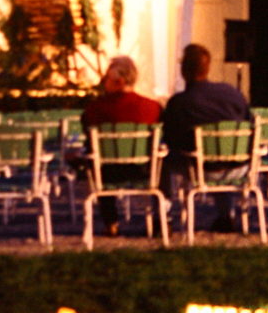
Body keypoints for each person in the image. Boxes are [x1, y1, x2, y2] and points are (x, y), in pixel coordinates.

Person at [161, 43, 253, 232]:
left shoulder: (179, 103)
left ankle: (164, 218)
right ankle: (225, 216)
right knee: (221, 150)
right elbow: (249, 123)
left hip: (199, 168)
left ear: (183, 70)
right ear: (208, 66)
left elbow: (170, 140)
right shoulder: (233, 94)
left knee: (161, 161)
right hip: (238, 167)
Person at [81, 55, 164, 236]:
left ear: (118, 82)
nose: (103, 84)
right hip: (143, 171)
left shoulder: (95, 109)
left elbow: (87, 137)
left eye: (106, 80)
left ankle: (111, 222)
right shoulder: (152, 108)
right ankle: (163, 219)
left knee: (96, 161)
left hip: (108, 173)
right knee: (161, 159)